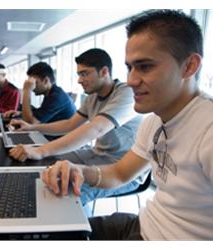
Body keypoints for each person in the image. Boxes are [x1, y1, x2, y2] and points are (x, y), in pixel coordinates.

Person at [41, 10, 213, 240]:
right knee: (48, 231)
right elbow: (119, 173)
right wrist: (80, 172)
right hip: (143, 225)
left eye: (145, 67)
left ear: (189, 66)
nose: (131, 80)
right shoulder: (154, 120)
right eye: (130, 68)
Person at [9, 49, 144, 206]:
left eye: (84, 73)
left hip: (122, 169)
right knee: (46, 166)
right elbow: (69, 124)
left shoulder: (126, 93)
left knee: (66, 193)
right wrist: (32, 128)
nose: (79, 80)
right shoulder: (92, 96)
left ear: (104, 71)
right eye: (79, 74)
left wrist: (40, 150)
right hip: (97, 154)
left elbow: (96, 129)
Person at [4, 62, 76, 124]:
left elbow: (30, 122)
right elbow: (41, 112)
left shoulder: (57, 97)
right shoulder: (52, 92)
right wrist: (20, 113)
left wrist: (26, 91)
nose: (32, 86)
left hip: (58, 138)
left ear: (46, 80)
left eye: (34, 82)